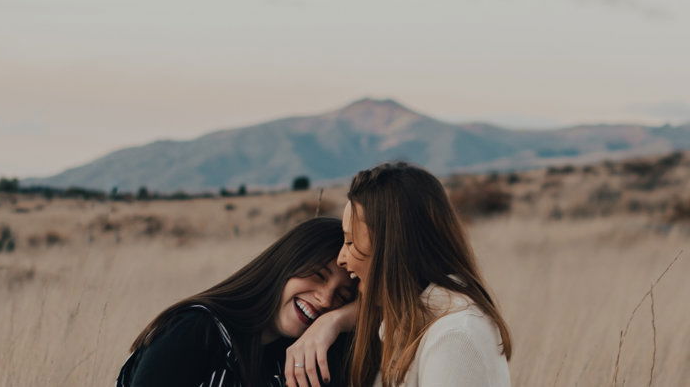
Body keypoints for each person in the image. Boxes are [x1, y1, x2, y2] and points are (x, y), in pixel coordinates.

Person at [116, 217, 356, 387]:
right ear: (284, 264)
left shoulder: (300, 358)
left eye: (342, 296)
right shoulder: (196, 330)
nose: (325, 300)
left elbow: (389, 308)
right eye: (317, 275)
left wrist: (334, 322)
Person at [337, 162, 513, 387]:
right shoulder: (410, 324)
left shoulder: (455, 336)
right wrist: (331, 322)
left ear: (392, 246)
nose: (341, 258)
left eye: (350, 241)